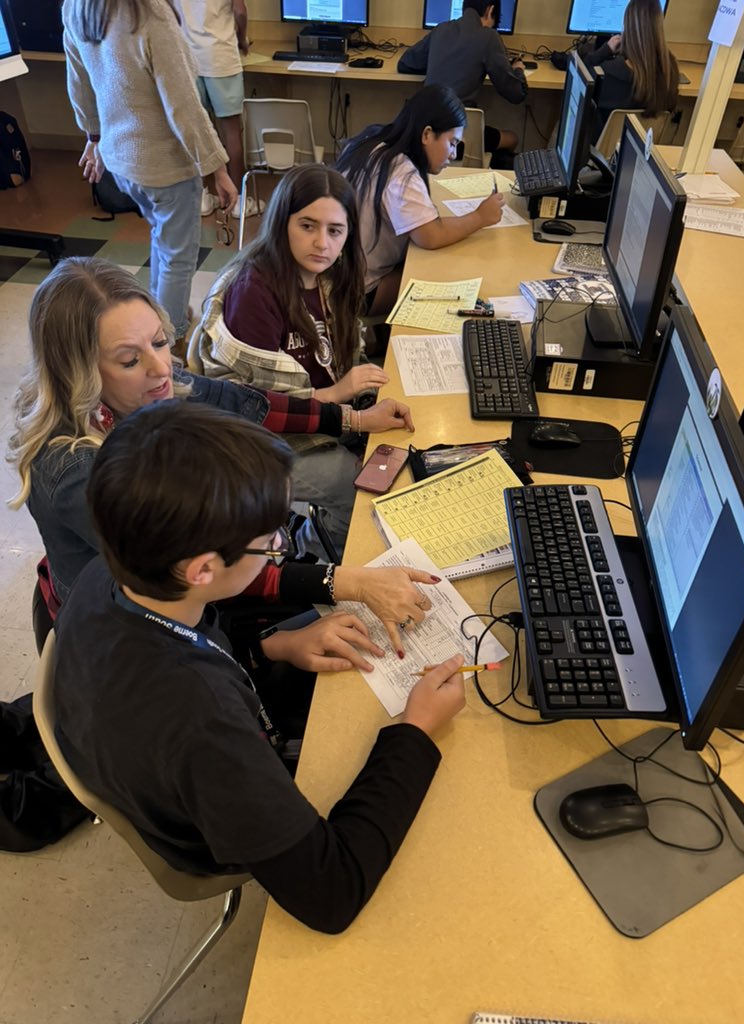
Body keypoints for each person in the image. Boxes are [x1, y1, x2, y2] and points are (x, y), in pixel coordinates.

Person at [53, 400, 466, 933]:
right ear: (202, 569)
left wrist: (274, 648)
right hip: (217, 831)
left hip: (179, 748)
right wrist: (416, 731)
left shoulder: (111, 574)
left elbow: (199, 645)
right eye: (271, 540)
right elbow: (331, 894)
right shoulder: (202, 724)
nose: (279, 548)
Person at [6, 257, 420, 634]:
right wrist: (343, 582)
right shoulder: (77, 473)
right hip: (134, 628)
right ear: (80, 373)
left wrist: (355, 419)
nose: (161, 367)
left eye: (160, 342)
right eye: (130, 361)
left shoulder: (150, 389)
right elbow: (195, 571)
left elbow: (246, 405)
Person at [190, 164, 389, 514]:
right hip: (254, 441)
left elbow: (340, 356)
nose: (321, 243)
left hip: (323, 412)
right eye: (307, 226)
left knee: (389, 447)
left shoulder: (332, 277)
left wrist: (357, 397)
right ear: (282, 223)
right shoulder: (254, 292)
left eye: (335, 230)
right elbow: (253, 408)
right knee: (355, 483)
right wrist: (337, 396)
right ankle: (317, 548)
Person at [61, 0, 240, 345]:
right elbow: (184, 106)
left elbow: (79, 83)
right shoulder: (149, 13)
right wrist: (218, 167)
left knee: (164, 240)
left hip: (122, 161)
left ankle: (159, 318)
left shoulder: (77, 5)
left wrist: (93, 137)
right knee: (178, 258)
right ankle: (167, 344)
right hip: (164, 164)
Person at [336, 85, 505, 317]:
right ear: (426, 134)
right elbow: (430, 236)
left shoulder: (373, 138)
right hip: (355, 292)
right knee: (441, 281)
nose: (453, 155)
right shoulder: (401, 173)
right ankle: (380, 340)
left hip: (335, 274)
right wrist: (480, 217)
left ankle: (378, 338)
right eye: (452, 143)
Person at [397, 2, 527, 168]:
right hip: (459, 134)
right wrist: (518, 70)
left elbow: (405, 63)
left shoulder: (441, 29)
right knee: (512, 138)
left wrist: (437, 62)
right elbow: (516, 93)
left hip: (424, 128)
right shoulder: (488, 36)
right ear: (490, 10)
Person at [175, 0, 259, 219]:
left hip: (187, 60)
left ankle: (202, 198)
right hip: (220, 58)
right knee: (231, 132)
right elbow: (240, 11)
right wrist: (242, 40)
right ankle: (239, 200)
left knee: (197, 131)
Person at [582, 0, 679, 142]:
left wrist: (605, 51)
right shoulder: (671, 69)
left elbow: (579, 75)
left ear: (626, 26)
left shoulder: (609, 74)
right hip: (641, 155)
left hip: (602, 156)